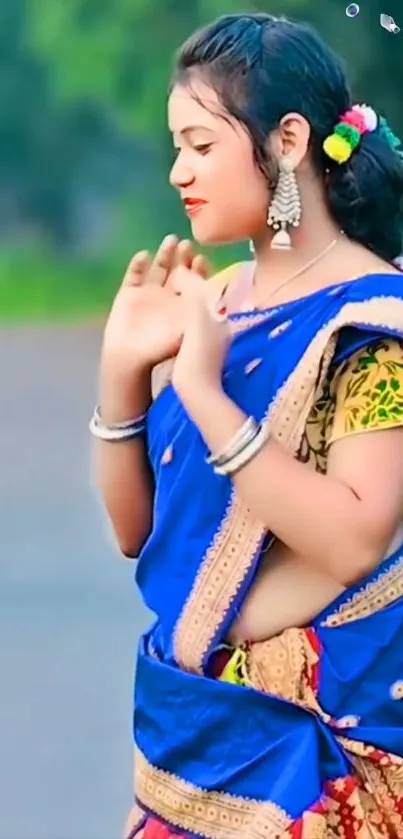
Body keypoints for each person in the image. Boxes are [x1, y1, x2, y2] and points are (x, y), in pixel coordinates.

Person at [91, 13, 403, 839]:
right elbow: (140, 534)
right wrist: (123, 373)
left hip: (322, 765)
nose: (177, 171)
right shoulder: (221, 300)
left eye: (200, 144)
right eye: (175, 145)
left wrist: (202, 389)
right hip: (200, 740)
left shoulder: (368, 327)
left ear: (288, 139)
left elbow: (354, 540)